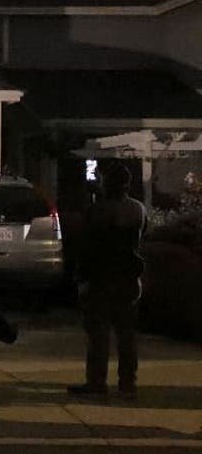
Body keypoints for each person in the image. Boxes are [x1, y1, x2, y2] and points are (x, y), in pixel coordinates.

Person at [69, 164, 147, 399]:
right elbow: (142, 238)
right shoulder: (138, 209)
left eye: (102, 180)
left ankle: (96, 382)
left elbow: (88, 247)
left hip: (101, 277)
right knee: (126, 334)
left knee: (98, 334)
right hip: (129, 277)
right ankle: (127, 383)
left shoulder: (97, 211)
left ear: (109, 183)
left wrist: (81, 277)